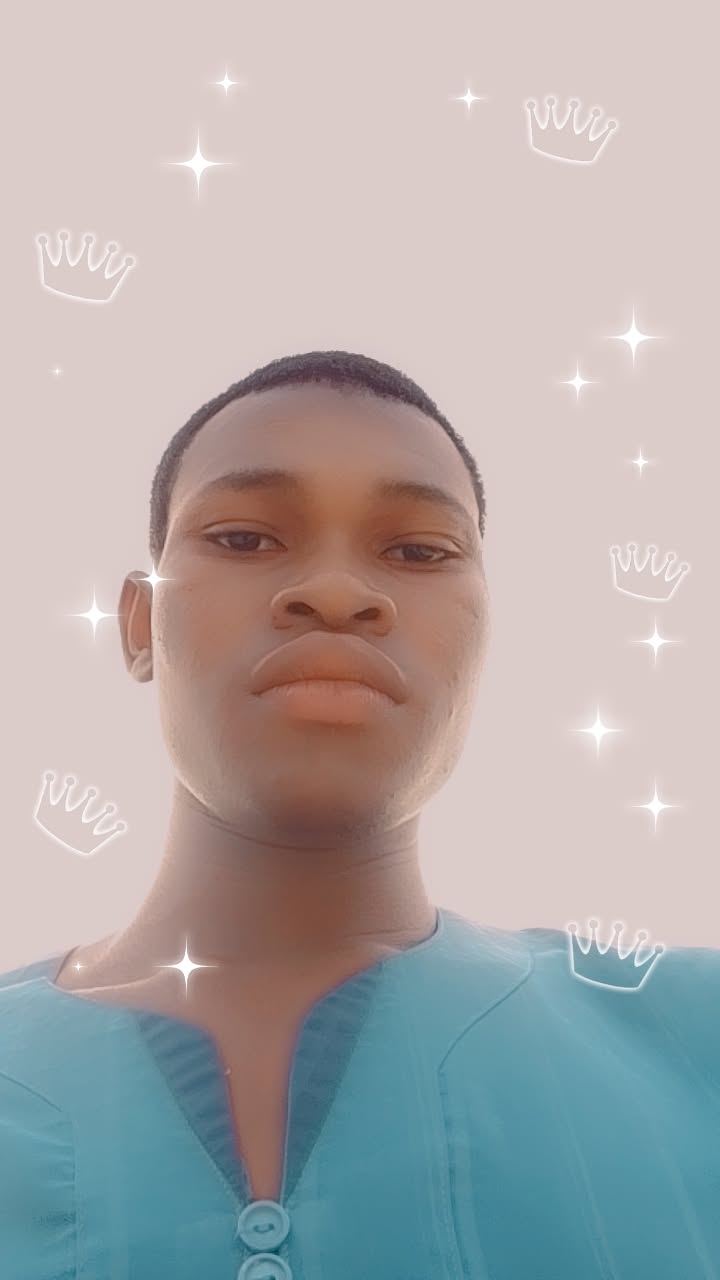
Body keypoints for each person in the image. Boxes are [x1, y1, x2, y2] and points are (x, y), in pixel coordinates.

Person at [1, 350, 718, 1280]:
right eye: (244, 538)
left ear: (483, 632)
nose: (337, 592)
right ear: (139, 625)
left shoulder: (697, 1041)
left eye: (418, 551)